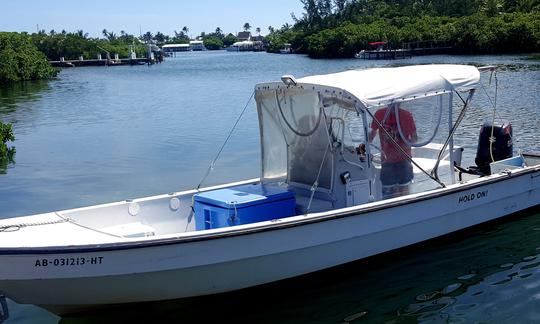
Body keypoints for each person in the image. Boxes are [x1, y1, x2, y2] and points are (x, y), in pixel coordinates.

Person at [368, 103, 417, 199]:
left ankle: (405, 210)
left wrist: (404, 146)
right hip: (387, 160)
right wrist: (364, 145)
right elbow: (372, 135)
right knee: (389, 193)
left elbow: (414, 138)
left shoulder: (406, 115)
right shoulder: (380, 114)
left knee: (404, 193)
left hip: (403, 160)